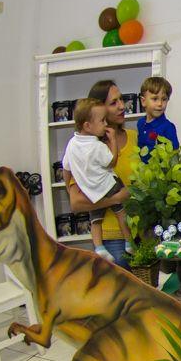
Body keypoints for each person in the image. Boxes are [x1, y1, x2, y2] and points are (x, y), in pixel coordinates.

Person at [65, 80, 138, 267]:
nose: (122, 106)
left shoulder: (135, 137)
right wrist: (116, 198)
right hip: (112, 240)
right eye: (113, 102)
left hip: (141, 232)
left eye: (121, 99)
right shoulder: (85, 150)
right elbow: (76, 203)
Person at [137, 76, 178, 155]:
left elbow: (174, 154)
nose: (160, 104)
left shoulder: (168, 127)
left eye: (164, 99)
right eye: (155, 99)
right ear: (143, 101)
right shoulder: (140, 123)